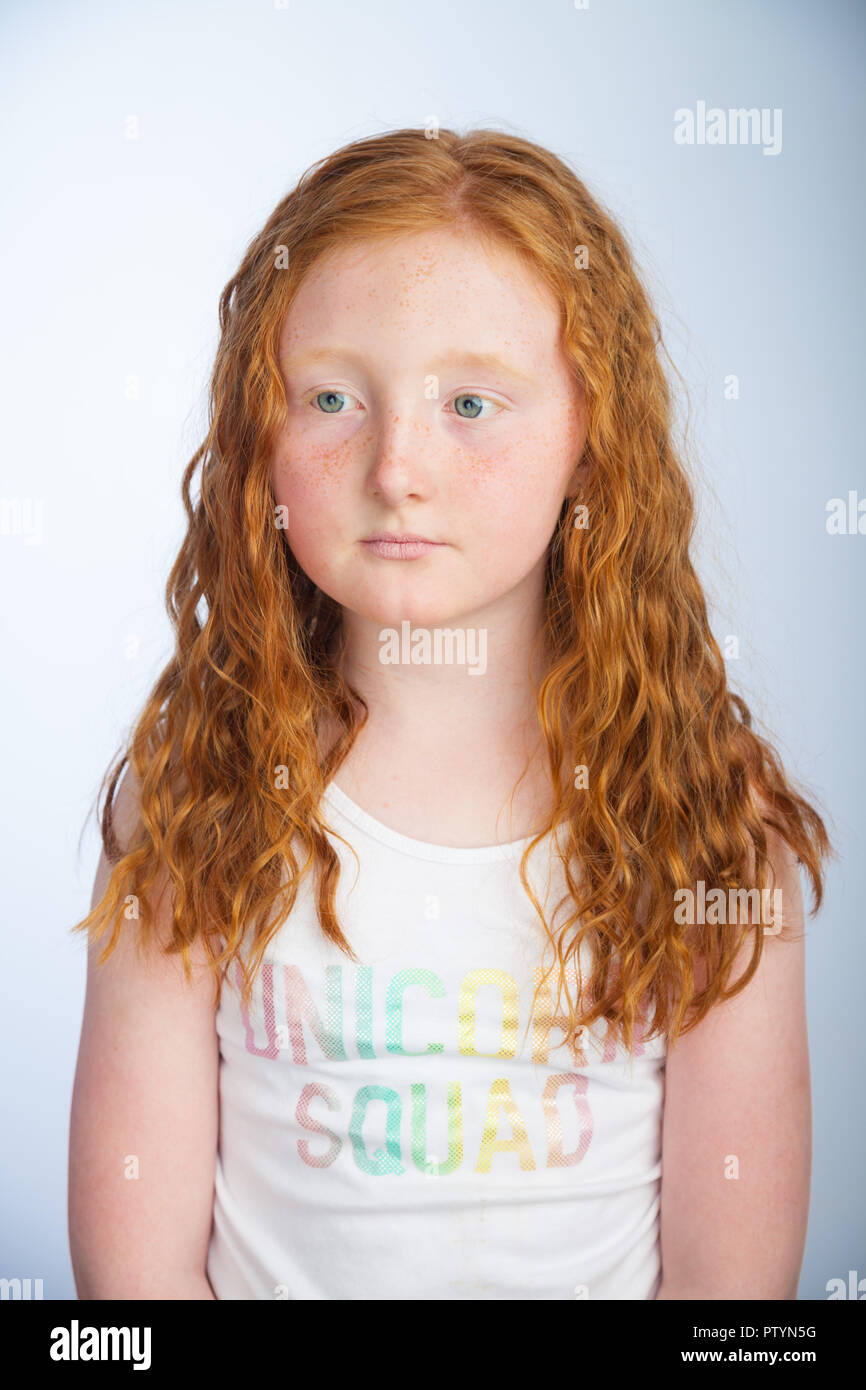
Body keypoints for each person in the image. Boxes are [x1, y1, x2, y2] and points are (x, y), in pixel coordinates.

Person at [68, 126, 832, 1301]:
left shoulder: (706, 820)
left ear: (592, 438)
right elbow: (133, 1289)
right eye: (331, 397)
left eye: (470, 402)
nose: (396, 468)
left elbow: (732, 1310)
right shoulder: (194, 795)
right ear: (255, 438)